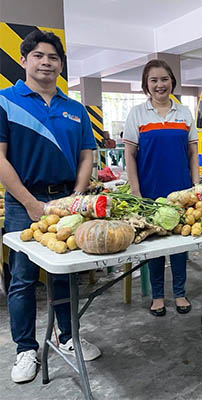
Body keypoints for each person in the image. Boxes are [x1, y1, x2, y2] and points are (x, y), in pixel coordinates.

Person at [0, 30, 101, 383]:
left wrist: (76, 195)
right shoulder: (5, 100)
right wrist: (29, 204)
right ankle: (26, 349)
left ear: (60, 65)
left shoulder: (74, 109)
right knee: (23, 279)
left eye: (53, 57)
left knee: (65, 273)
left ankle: (68, 336)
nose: (46, 62)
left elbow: (87, 154)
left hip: (66, 200)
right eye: (39, 56)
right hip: (22, 202)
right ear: (24, 60)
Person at [124, 59, 199, 316]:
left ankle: (180, 292)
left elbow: (192, 152)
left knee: (179, 244)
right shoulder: (137, 113)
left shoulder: (184, 112)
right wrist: (135, 190)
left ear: (172, 82)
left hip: (180, 190)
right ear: (146, 84)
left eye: (164, 79)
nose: (159, 85)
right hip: (150, 190)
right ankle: (157, 295)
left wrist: (196, 185)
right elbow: (130, 154)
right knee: (153, 245)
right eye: (153, 80)